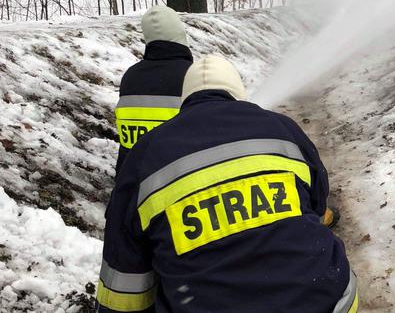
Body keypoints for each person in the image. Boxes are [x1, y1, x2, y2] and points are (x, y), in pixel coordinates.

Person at [96, 55, 357, 313]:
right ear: (238, 93)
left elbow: (123, 289)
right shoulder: (283, 128)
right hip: (329, 301)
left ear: (184, 100)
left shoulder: (144, 155)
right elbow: (318, 206)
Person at [115, 5, 193, 170]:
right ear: (180, 34)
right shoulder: (193, 76)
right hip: (179, 182)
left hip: (132, 184)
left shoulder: (130, 77)